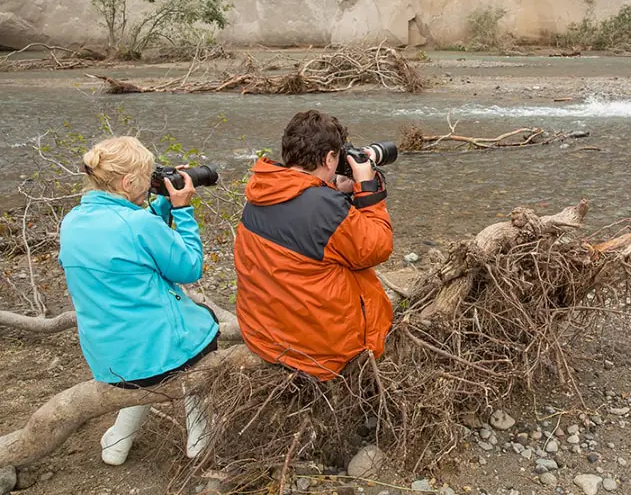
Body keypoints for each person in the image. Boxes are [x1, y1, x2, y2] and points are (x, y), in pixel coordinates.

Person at [58, 136, 219, 465]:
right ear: (128, 182)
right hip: (156, 354)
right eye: (149, 178)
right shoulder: (139, 224)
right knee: (204, 326)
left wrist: (160, 202)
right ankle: (199, 434)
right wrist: (183, 210)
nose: (152, 183)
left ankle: (120, 439)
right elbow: (189, 268)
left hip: (111, 359)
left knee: (143, 339)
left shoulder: (73, 220)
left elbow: (135, 238)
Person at [234, 110, 393, 380]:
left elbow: (305, 218)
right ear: (331, 157)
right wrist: (366, 188)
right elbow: (378, 247)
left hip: (264, 333)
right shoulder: (325, 208)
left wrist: (332, 190)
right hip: (317, 351)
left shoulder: (262, 189)